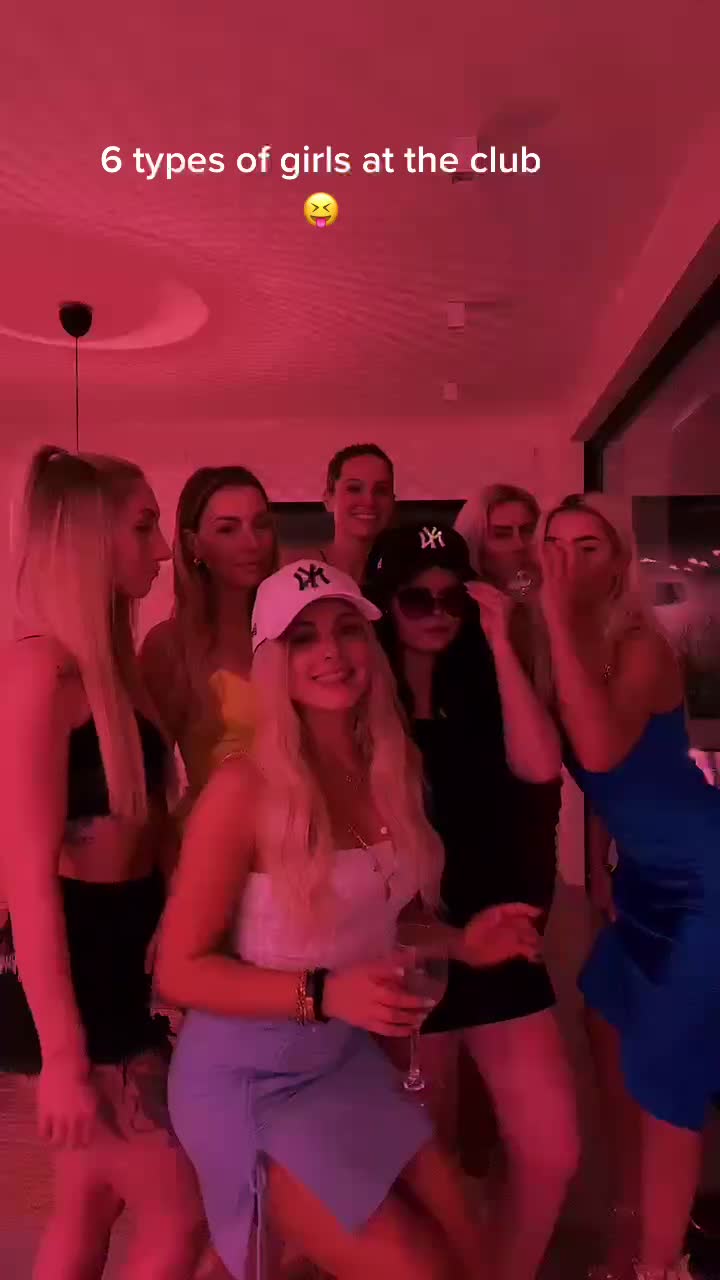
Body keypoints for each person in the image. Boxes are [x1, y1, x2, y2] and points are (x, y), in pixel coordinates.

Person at [154, 559, 543, 1280]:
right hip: (249, 1080)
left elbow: (376, 924)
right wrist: (327, 994)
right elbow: (178, 971)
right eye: (303, 638)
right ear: (273, 662)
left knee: (472, 1232)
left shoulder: (388, 768)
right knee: (416, 1269)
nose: (331, 652)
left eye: (346, 630)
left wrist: (463, 942)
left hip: (339, 1059)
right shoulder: (242, 790)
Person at [0, 446, 205, 1280]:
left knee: (91, 1200)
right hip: (70, 975)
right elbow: (26, 879)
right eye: (144, 527)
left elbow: (146, 831)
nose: (162, 550)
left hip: (124, 962)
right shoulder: (40, 671)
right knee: (181, 1214)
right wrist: (61, 1057)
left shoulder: (114, 669)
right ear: (89, 538)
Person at [365, 523, 578, 1280]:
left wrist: (500, 638)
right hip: (410, 949)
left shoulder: (485, 688)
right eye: (416, 599)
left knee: (552, 1151)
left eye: (451, 598)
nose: (436, 613)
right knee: (429, 1164)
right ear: (386, 605)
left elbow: (542, 769)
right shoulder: (364, 704)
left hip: (503, 945)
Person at [538, 491, 720, 1280]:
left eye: (589, 547)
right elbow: (602, 786)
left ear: (617, 563)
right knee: (605, 1014)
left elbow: (602, 753)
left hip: (705, 880)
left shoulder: (641, 646)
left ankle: (658, 1265)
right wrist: (602, 864)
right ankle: (626, 1227)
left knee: (666, 1078)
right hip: (646, 877)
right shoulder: (569, 647)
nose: (569, 563)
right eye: (556, 545)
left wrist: (553, 617)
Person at [140, 466, 277, 808]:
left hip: (305, 830)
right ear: (193, 543)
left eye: (261, 524)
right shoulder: (171, 647)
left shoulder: (294, 629)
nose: (252, 543)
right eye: (228, 529)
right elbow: (150, 779)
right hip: (218, 830)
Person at [283, 444, 395, 584]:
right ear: (328, 499)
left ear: (393, 501)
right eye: (354, 488)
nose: (369, 501)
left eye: (381, 490)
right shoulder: (294, 567)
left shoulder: (411, 575)